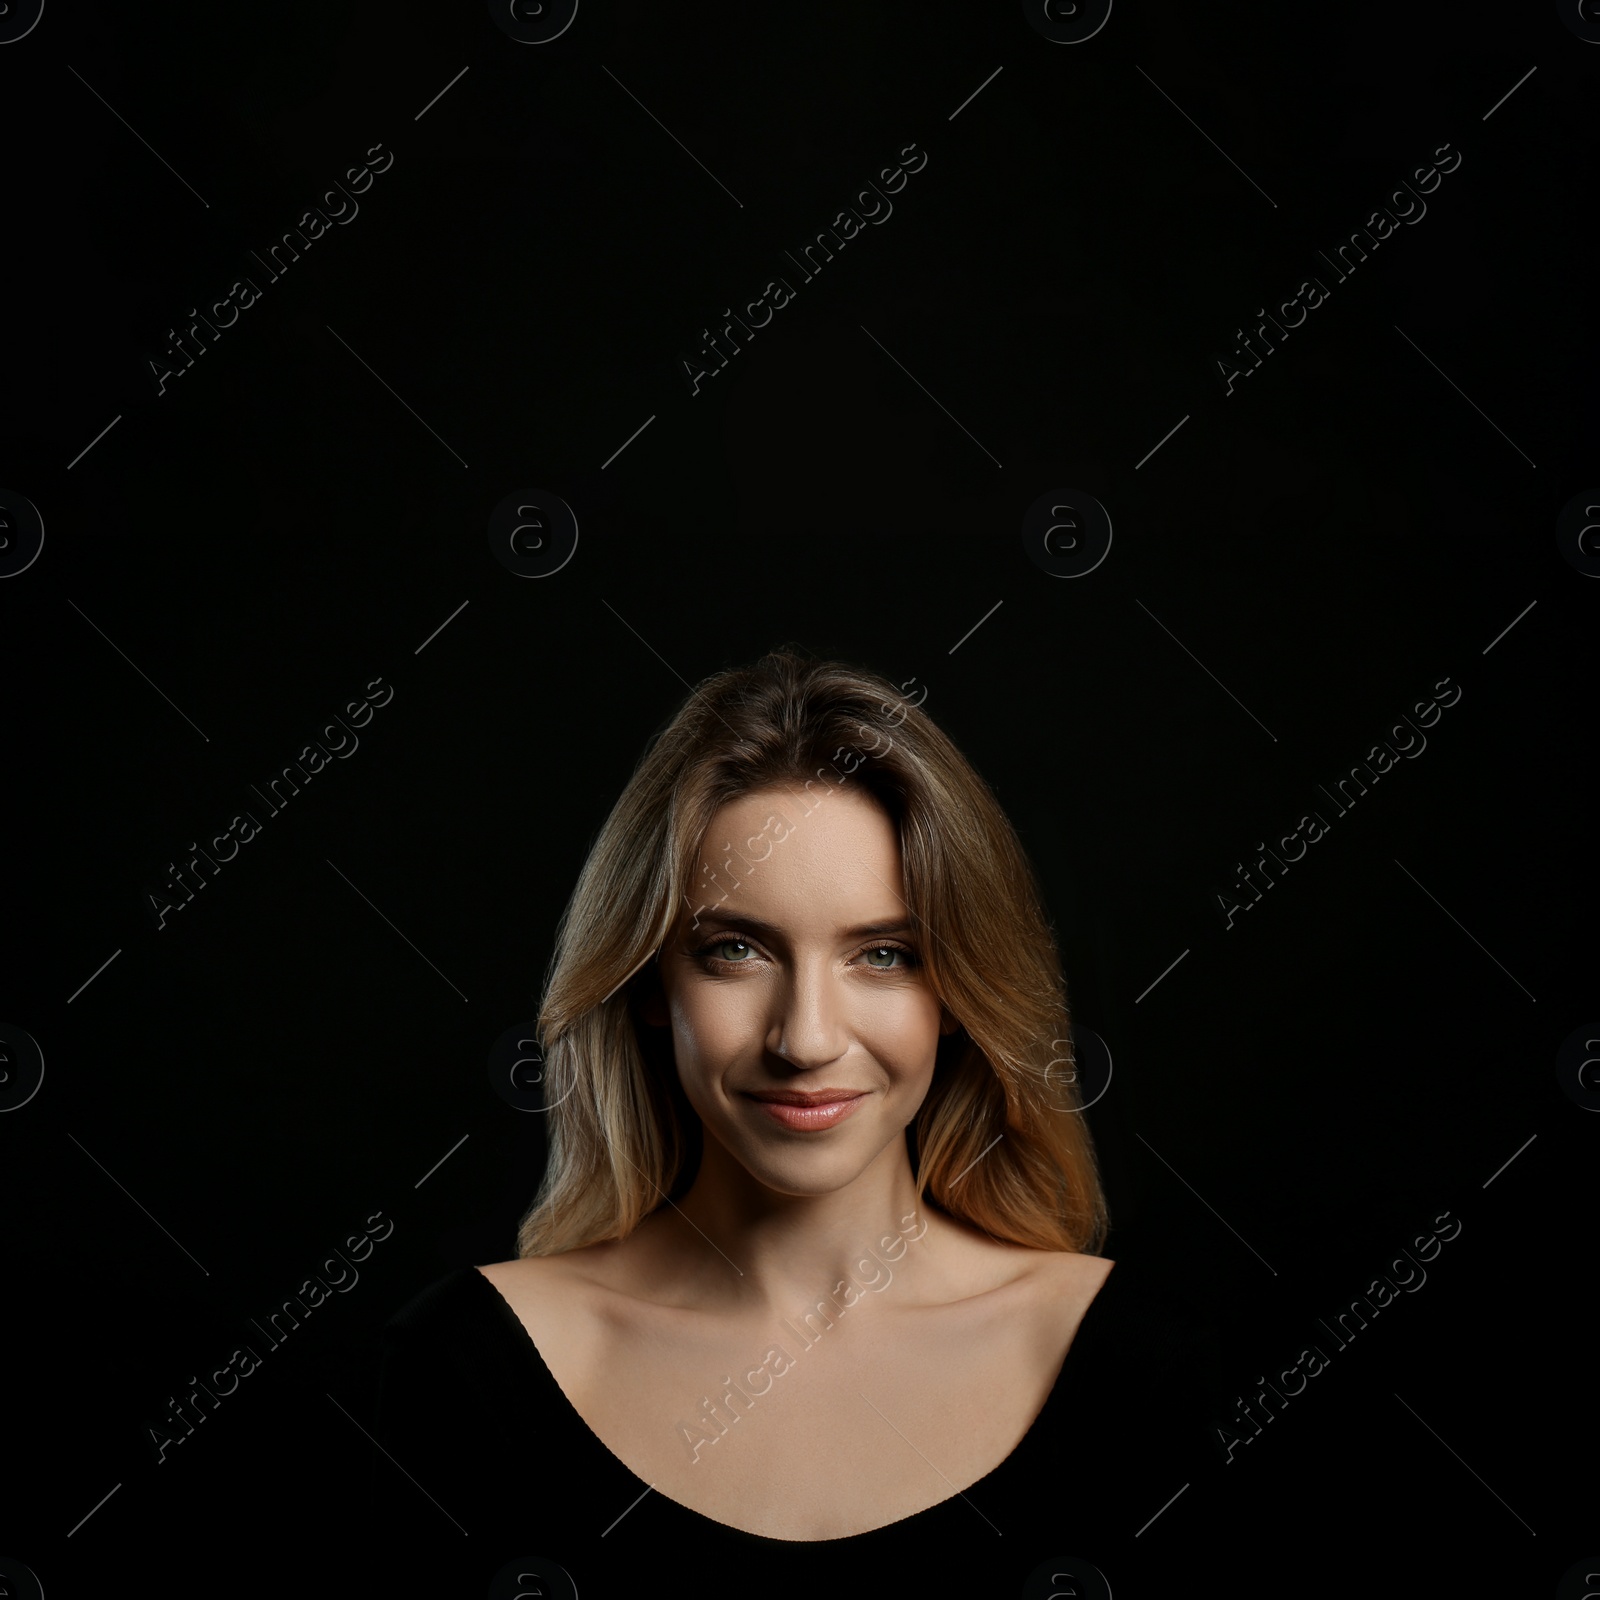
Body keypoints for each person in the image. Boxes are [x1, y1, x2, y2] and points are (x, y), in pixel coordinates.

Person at [370, 647, 1208, 1596]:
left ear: (960, 991)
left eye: (884, 955)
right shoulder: (469, 1371)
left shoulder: (1136, 1366)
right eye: (736, 949)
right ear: (650, 982)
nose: (806, 1039)